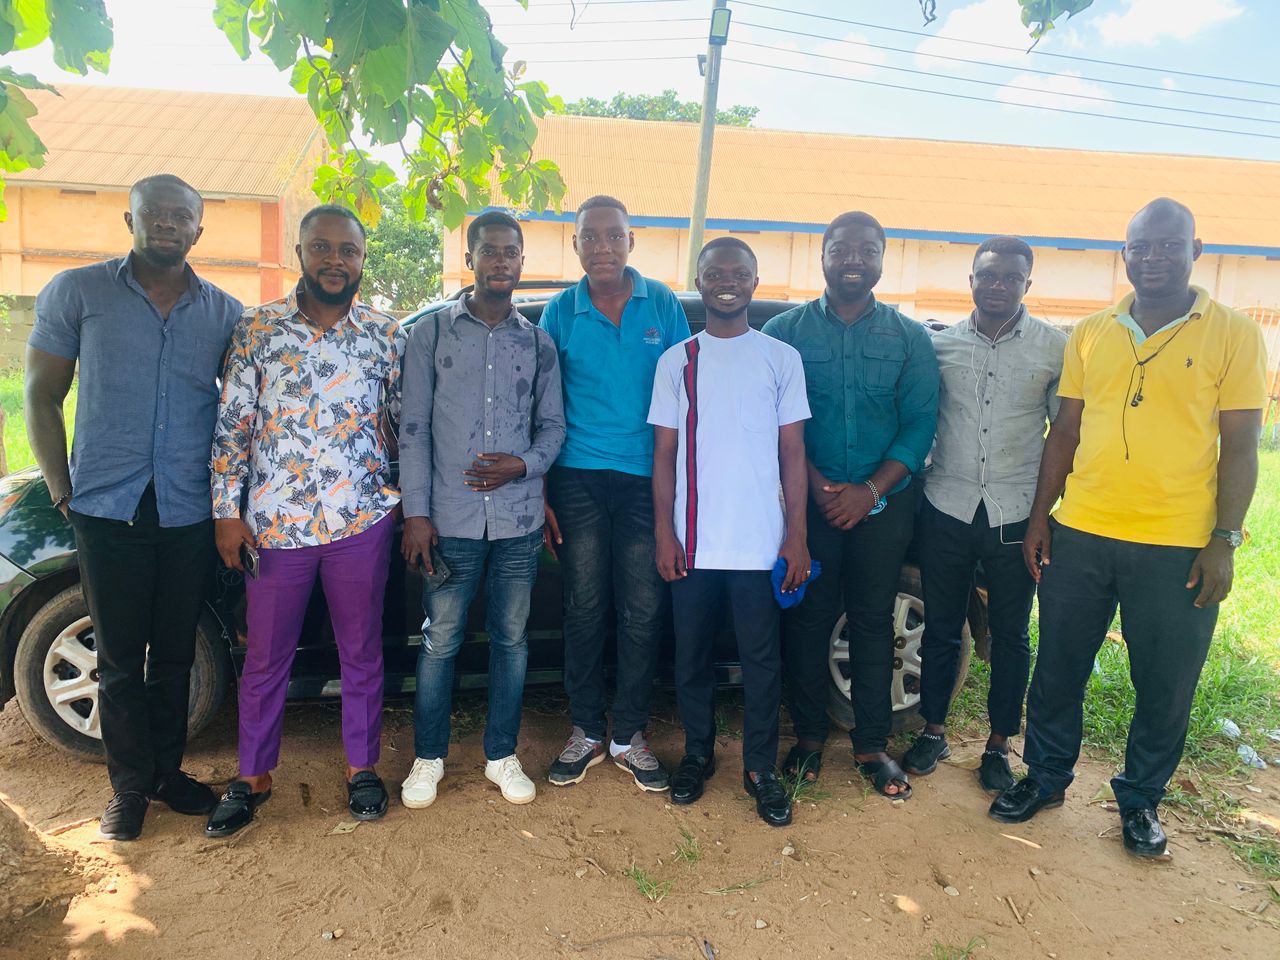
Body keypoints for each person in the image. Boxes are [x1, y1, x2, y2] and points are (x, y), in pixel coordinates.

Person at [989, 199, 1267, 859]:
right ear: (1125, 254)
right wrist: (1041, 518)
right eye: (1140, 246)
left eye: (1168, 245)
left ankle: (1140, 800)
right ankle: (1045, 777)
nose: (1153, 258)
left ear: (1196, 250)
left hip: (1179, 544)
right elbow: (1066, 430)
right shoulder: (1093, 332)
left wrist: (1225, 540)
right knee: (1058, 668)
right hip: (1082, 533)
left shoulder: (1234, 334)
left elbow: (1242, 446)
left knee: (1165, 683)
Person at [24, 174, 242, 841]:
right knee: (118, 660)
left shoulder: (225, 313)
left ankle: (167, 774)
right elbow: (41, 393)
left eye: (181, 215)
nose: (167, 223)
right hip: (106, 506)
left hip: (187, 508)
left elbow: (243, 408)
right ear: (131, 220)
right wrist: (61, 488)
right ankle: (127, 789)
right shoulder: (79, 292)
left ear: (199, 229)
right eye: (154, 213)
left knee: (174, 655)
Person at [204, 205, 405, 837]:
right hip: (275, 524)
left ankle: (361, 767)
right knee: (266, 657)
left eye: (348, 250)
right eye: (322, 247)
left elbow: (405, 425)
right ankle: (254, 775)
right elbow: (233, 426)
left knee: (361, 652)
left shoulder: (386, 336)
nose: (335, 260)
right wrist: (225, 512)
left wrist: (405, 496)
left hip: (360, 521)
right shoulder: (257, 328)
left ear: (363, 260)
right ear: (300, 253)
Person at [762, 211, 939, 799]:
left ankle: (871, 745)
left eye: (867, 250)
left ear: (883, 258)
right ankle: (809, 738)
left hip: (884, 507)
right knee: (808, 620)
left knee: (871, 619)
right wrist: (814, 486)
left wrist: (870, 492)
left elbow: (919, 425)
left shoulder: (909, 338)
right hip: (807, 503)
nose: (854, 260)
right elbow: (775, 420)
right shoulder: (785, 333)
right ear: (823, 256)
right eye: (842, 249)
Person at [398, 211, 565, 809]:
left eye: (510, 251)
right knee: (441, 639)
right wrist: (416, 514)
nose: (501, 261)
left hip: (518, 522)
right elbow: (413, 429)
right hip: (450, 519)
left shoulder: (537, 343)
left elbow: (553, 428)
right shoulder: (431, 335)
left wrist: (524, 465)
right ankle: (428, 757)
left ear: (522, 261)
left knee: (511, 639)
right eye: (489, 250)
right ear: (469, 259)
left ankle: (501, 754)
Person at [649, 237, 810, 828]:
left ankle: (760, 769)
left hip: (760, 542)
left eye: (738, 273)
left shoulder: (781, 358)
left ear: (754, 282)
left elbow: (793, 453)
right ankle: (697, 754)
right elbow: (663, 455)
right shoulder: (677, 361)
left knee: (762, 661)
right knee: (690, 656)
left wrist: (796, 535)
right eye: (715, 272)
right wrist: (664, 534)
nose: (727, 282)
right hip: (692, 542)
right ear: (699, 281)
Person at [901, 237, 1066, 793]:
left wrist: (1044, 516)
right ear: (971, 280)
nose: (998, 286)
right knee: (942, 627)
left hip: (1017, 514)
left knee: (1011, 635)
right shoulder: (941, 347)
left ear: (1027, 283)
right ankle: (933, 730)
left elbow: (1063, 437)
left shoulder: (1054, 349)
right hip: (946, 507)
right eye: (988, 276)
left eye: (1010, 277)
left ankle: (998, 745)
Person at [539, 195, 690, 793]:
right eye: (591, 237)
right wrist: (542, 487)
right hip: (576, 477)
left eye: (613, 235)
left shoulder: (664, 305)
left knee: (643, 608)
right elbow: (539, 405)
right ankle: (585, 730)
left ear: (631, 241)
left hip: (647, 480)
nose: (602, 246)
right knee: (582, 607)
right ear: (575, 244)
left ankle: (629, 734)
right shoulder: (559, 312)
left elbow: (686, 394)